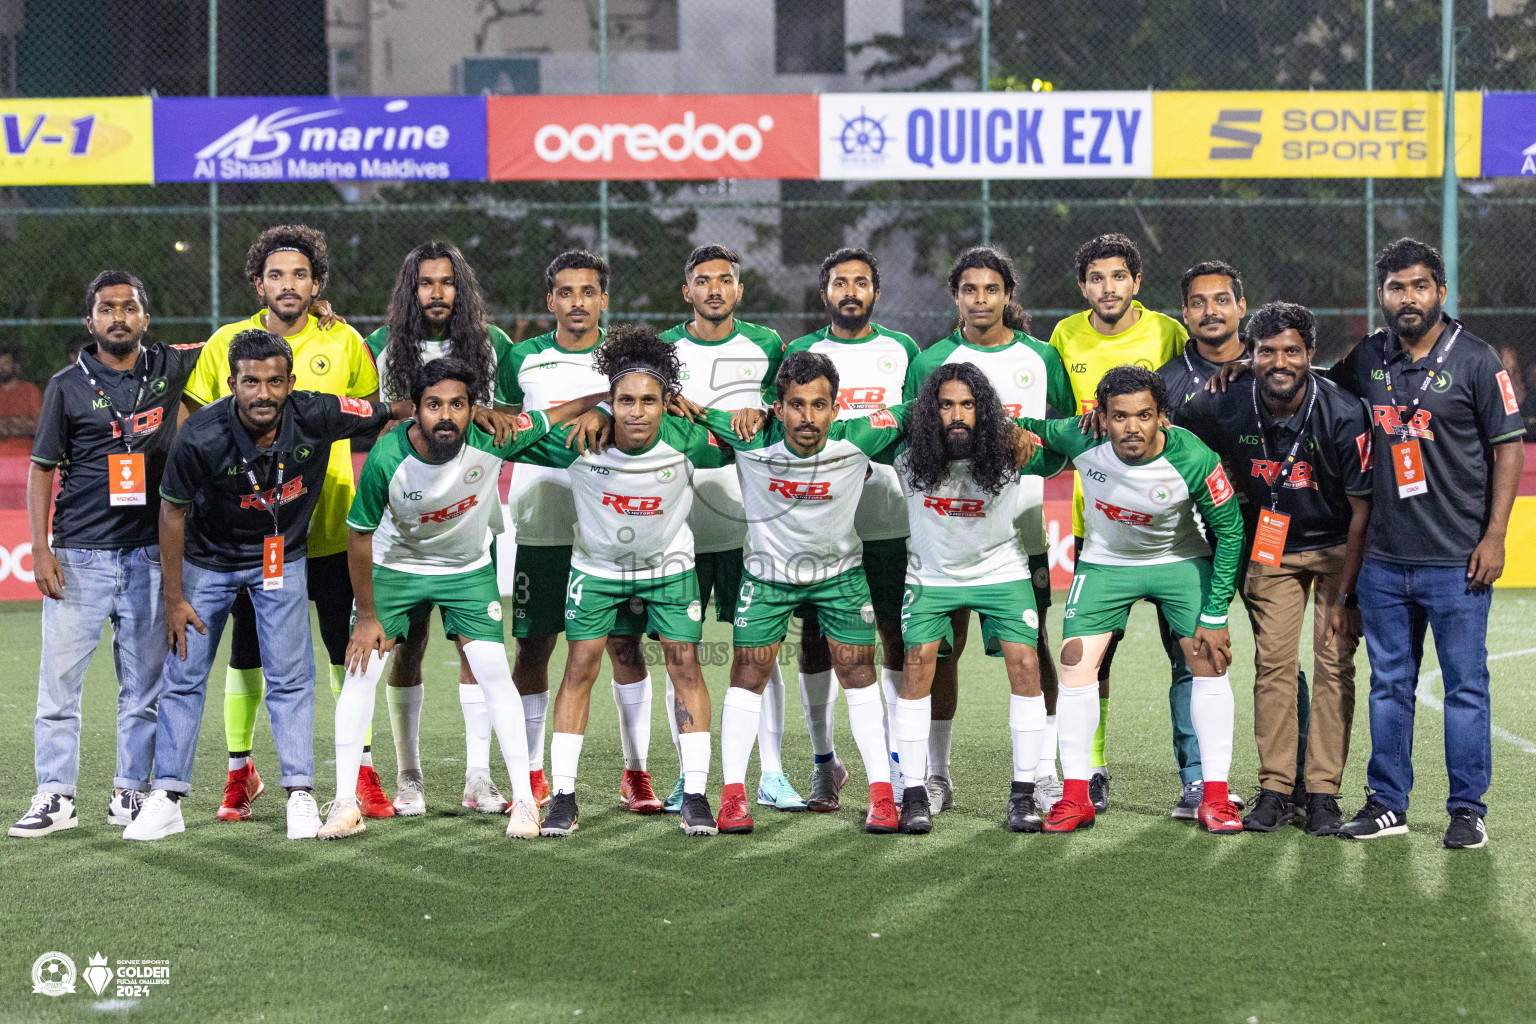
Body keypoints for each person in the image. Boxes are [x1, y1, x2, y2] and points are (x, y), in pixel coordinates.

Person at [123, 330, 393, 842]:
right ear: (232, 383)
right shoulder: (200, 435)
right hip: (208, 562)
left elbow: (391, 410)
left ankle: (300, 795)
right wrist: (174, 598)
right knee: (183, 678)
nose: (263, 393)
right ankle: (168, 796)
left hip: (282, 559)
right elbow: (171, 512)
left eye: (274, 381)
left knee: (292, 677)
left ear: (291, 382)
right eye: (251, 382)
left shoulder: (319, 412)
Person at [320, 357, 602, 840]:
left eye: (457, 404)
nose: (445, 416)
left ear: (475, 409)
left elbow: (560, 412)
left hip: (465, 571)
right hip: (396, 569)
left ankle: (525, 804)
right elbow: (359, 535)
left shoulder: (496, 436)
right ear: (416, 411)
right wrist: (366, 615)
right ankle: (345, 804)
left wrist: (605, 405)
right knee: (361, 671)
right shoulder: (389, 458)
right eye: (433, 405)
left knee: (494, 670)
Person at [183, 225, 392, 822]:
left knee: (341, 646)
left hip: (328, 520)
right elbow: (197, 422)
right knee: (246, 651)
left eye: (300, 275)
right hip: (248, 531)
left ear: (316, 283)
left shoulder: (343, 339)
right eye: (276, 275)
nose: (288, 284)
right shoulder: (229, 341)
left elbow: (369, 416)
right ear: (258, 283)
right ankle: (238, 772)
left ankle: (361, 771)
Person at [1324, 238, 1525, 849]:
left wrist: (1495, 537)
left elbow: (1508, 446)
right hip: (1384, 561)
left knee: (1465, 687)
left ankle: (1467, 808)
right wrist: (1245, 366)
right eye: (1394, 288)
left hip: (1457, 560)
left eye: (1418, 286)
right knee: (1389, 685)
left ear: (1440, 291)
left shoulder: (1477, 360)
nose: (1406, 298)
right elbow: (1315, 388)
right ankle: (1388, 803)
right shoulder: (1370, 358)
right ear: (1381, 294)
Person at [10, 272, 204, 839]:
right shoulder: (66, 385)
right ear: (89, 321)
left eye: (129, 307)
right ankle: (55, 795)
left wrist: (318, 315)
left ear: (145, 316)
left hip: (149, 556)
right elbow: (41, 469)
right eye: (106, 308)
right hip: (78, 556)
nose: (118, 316)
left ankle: (130, 792)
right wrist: (40, 548)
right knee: (58, 689)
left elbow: (238, 340)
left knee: (143, 689)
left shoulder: (171, 366)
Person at [518, 326, 731, 839]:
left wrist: (706, 409)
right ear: (611, 403)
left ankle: (697, 794)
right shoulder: (581, 440)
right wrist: (586, 404)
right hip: (596, 570)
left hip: (669, 570)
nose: (637, 411)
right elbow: (511, 436)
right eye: (625, 400)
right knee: (581, 665)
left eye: (650, 400)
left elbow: (757, 436)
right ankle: (564, 797)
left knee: (685, 666)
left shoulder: (688, 441)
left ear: (668, 403)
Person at [699, 351, 915, 835]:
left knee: (858, 671)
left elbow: (916, 408)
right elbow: (682, 410)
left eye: (819, 405)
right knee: (748, 672)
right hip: (768, 575)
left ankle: (882, 794)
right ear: (776, 408)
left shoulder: (858, 438)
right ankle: (733, 796)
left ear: (836, 408)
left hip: (839, 575)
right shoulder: (748, 434)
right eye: (796, 405)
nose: (808, 418)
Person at [1023, 365, 1245, 835]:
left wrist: (1216, 610)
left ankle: (1216, 798)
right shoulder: (1081, 438)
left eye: (1144, 415)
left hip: (1179, 560)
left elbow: (1230, 530)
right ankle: (1075, 796)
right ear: (1100, 418)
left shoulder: (1193, 456)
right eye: (1119, 416)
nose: (1131, 428)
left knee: (1210, 660)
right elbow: (1024, 429)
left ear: (1162, 416)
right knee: (1074, 662)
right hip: (1106, 563)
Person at [1181, 302, 1372, 836]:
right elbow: (1170, 432)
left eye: (1292, 351)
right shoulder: (1225, 401)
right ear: (1251, 354)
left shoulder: (1343, 412)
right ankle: (1275, 789)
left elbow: (1362, 513)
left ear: (1311, 355)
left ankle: (1324, 793)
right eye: (1267, 351)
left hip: (1338, 546)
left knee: (1334, 666)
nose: (1279, 361)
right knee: (1274, 666)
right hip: (1274, 549)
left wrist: (1349, 597)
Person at [904, 245, 1076, 816]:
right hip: (947, 531)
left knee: (1032, 647)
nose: (981, 300)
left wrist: (1043, 464)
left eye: (992, 289)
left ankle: (1042, 772)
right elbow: (915, 439)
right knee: (940, 649)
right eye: (969, 290)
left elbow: (1057, 440)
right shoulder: (930, 363)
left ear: (1008, 295)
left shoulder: (1041, 357)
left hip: (1023, 526)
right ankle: (935, 775)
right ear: (955, 296)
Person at [362, 241, 523, 817]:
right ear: (411, 288)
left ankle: (478, 778)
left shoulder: (490, 344)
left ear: (461, 289)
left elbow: (504, 420)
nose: (436, 292)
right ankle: (409, 775)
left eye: (447, 282)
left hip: (468, 519)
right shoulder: (382, 346)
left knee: (473, 650)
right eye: (426, 282)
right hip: (402, 524)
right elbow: (369, 419)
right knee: (405, 644)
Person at [498, 251, 655, 813]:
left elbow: (647, 418)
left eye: (588, 292)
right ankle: (533, 772)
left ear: (604, 299)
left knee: (623, 646)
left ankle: (635, 772)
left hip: (612, 528)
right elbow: (504, 427)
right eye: (565, 292)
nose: (577, 303)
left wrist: (612, 408)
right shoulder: (522, 357)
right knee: (534, 648)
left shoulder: (626, 361)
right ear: (550, 301)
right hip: (541, 524)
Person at [890, 363, 1066, 835]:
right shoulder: (907, 454)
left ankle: (1024, 793)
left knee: (1027, 663)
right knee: (917, 663)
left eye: (967, 405)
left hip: (1000, 570)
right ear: (931, 412)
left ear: (983, 410)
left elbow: (1062, 456)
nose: (957, 415)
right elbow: (863, 432)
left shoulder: (1009, 452)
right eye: (945, 405)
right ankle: (914, 793)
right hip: (932, 575)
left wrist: (1029, 434)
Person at [658, 245, 802, 812]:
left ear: (739, 290)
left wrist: (765, 413)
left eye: (724, 280)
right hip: (677, 528)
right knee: (680, 656)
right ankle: (687, 774)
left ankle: (772, 772)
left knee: (759, 654)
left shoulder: (768, 346)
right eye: (702, 281)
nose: (714, 289)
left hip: (752, 526)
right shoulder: (664, 351)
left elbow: (786, 413)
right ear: (686, 292)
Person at [1048, 233, 1188, 813]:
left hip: (1171, 521)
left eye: (1119, 276)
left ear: (1136, 281)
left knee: (1187, 654)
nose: (1109, 287)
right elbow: (1059, 421)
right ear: (1083, 286)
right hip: (1096, 522)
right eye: (1097, 278)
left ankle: (1196, 776)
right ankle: (1093, 767)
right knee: (1093, 657)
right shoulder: (1064, 335)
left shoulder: (1166, 332)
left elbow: (1190, 396)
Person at [781, 249, 919, 811]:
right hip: (818, 526)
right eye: (840, 282)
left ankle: (892, 762)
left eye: (861, 282)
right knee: (814, 642)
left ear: (876, 294)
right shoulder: (801, 352)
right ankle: (823, 762)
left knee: (892, 635)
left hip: (887, 519)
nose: (851, 291)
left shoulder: (902, 350)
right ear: (825, 294)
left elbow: (914, 423)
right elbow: (784, 430)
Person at [1154, 260, 1251, 819]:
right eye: (1197, 302)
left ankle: (1294, 780)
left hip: (1265, 535)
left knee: (1280, 659)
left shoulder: (1274, 364)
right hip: (1188, 541)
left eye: (1221, 300)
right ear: (1184, 313)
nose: (1210, 311)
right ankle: (1198, 782)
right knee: (1190, 660)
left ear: (1241, 306)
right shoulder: (1165, 382)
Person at [0, 346, 44, 457]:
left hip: (25, 455)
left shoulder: (30, 390)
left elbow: (39, 426)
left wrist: (6, 424)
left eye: (5, 363)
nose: (1, 368)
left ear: (16, 366)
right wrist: (20, 421)